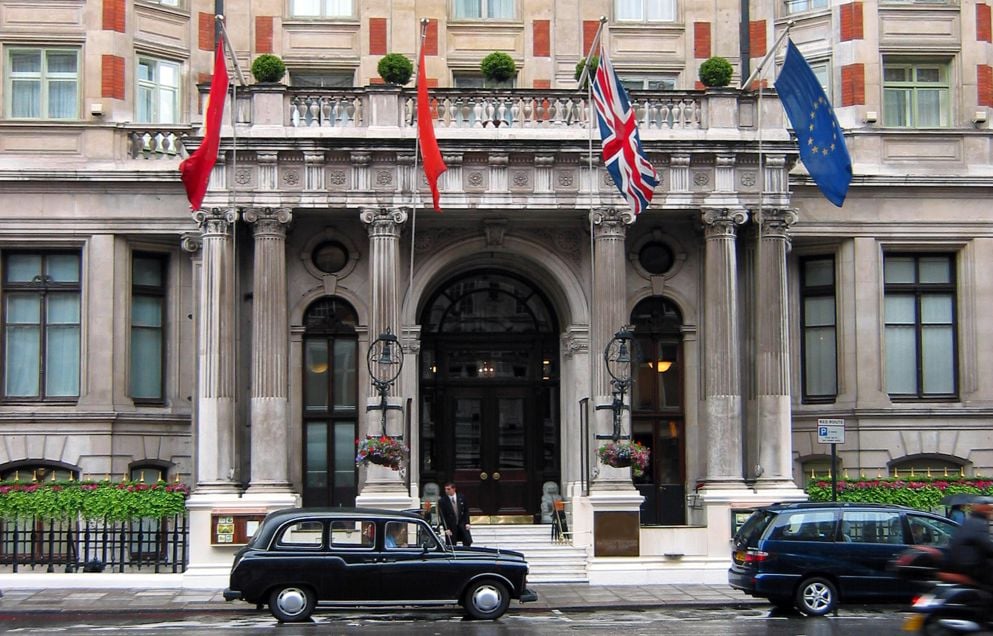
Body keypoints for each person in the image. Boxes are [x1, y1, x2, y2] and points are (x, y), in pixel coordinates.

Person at [946, 501, 993, 587]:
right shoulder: (979, 523)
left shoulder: (969, 519)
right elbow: (986, 545)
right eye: (989, 510)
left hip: (959, 563)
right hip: (971, 566)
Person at [438, 481, 472, 547]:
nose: (446, 491)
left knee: (467, 541)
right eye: (445, 489)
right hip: (451, 526)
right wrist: (446, 529)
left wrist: (467, 522)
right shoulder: (442, 501)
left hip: (462, 524)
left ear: (454, 489)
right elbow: (442, 516)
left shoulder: (461, 497)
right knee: (451, 544)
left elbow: (466, 511)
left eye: (448, 489)